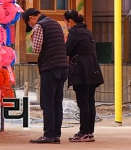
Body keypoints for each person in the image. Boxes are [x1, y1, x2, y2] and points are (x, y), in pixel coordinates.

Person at [22, 8, 69, 144]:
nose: (31, 26)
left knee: (47, 102)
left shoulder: (39, 26)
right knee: (57, 102)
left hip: (50, 67)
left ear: (31, 18)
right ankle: (56, 134)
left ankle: (48, 135)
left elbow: (36, 48)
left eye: (29, 24)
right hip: (63, 67)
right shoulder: (56, 24)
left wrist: (32, 39)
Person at [64, 10, 104, 143]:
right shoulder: (87, 31)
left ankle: (84, 132)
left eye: (66, 22)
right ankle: (89, 132)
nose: (66, 25)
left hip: (81, 72)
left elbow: (66, 50)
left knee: (83, 103)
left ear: (70, 21)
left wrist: (64, 41)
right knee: (90, 102)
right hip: (93, 71)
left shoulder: (75, 32)